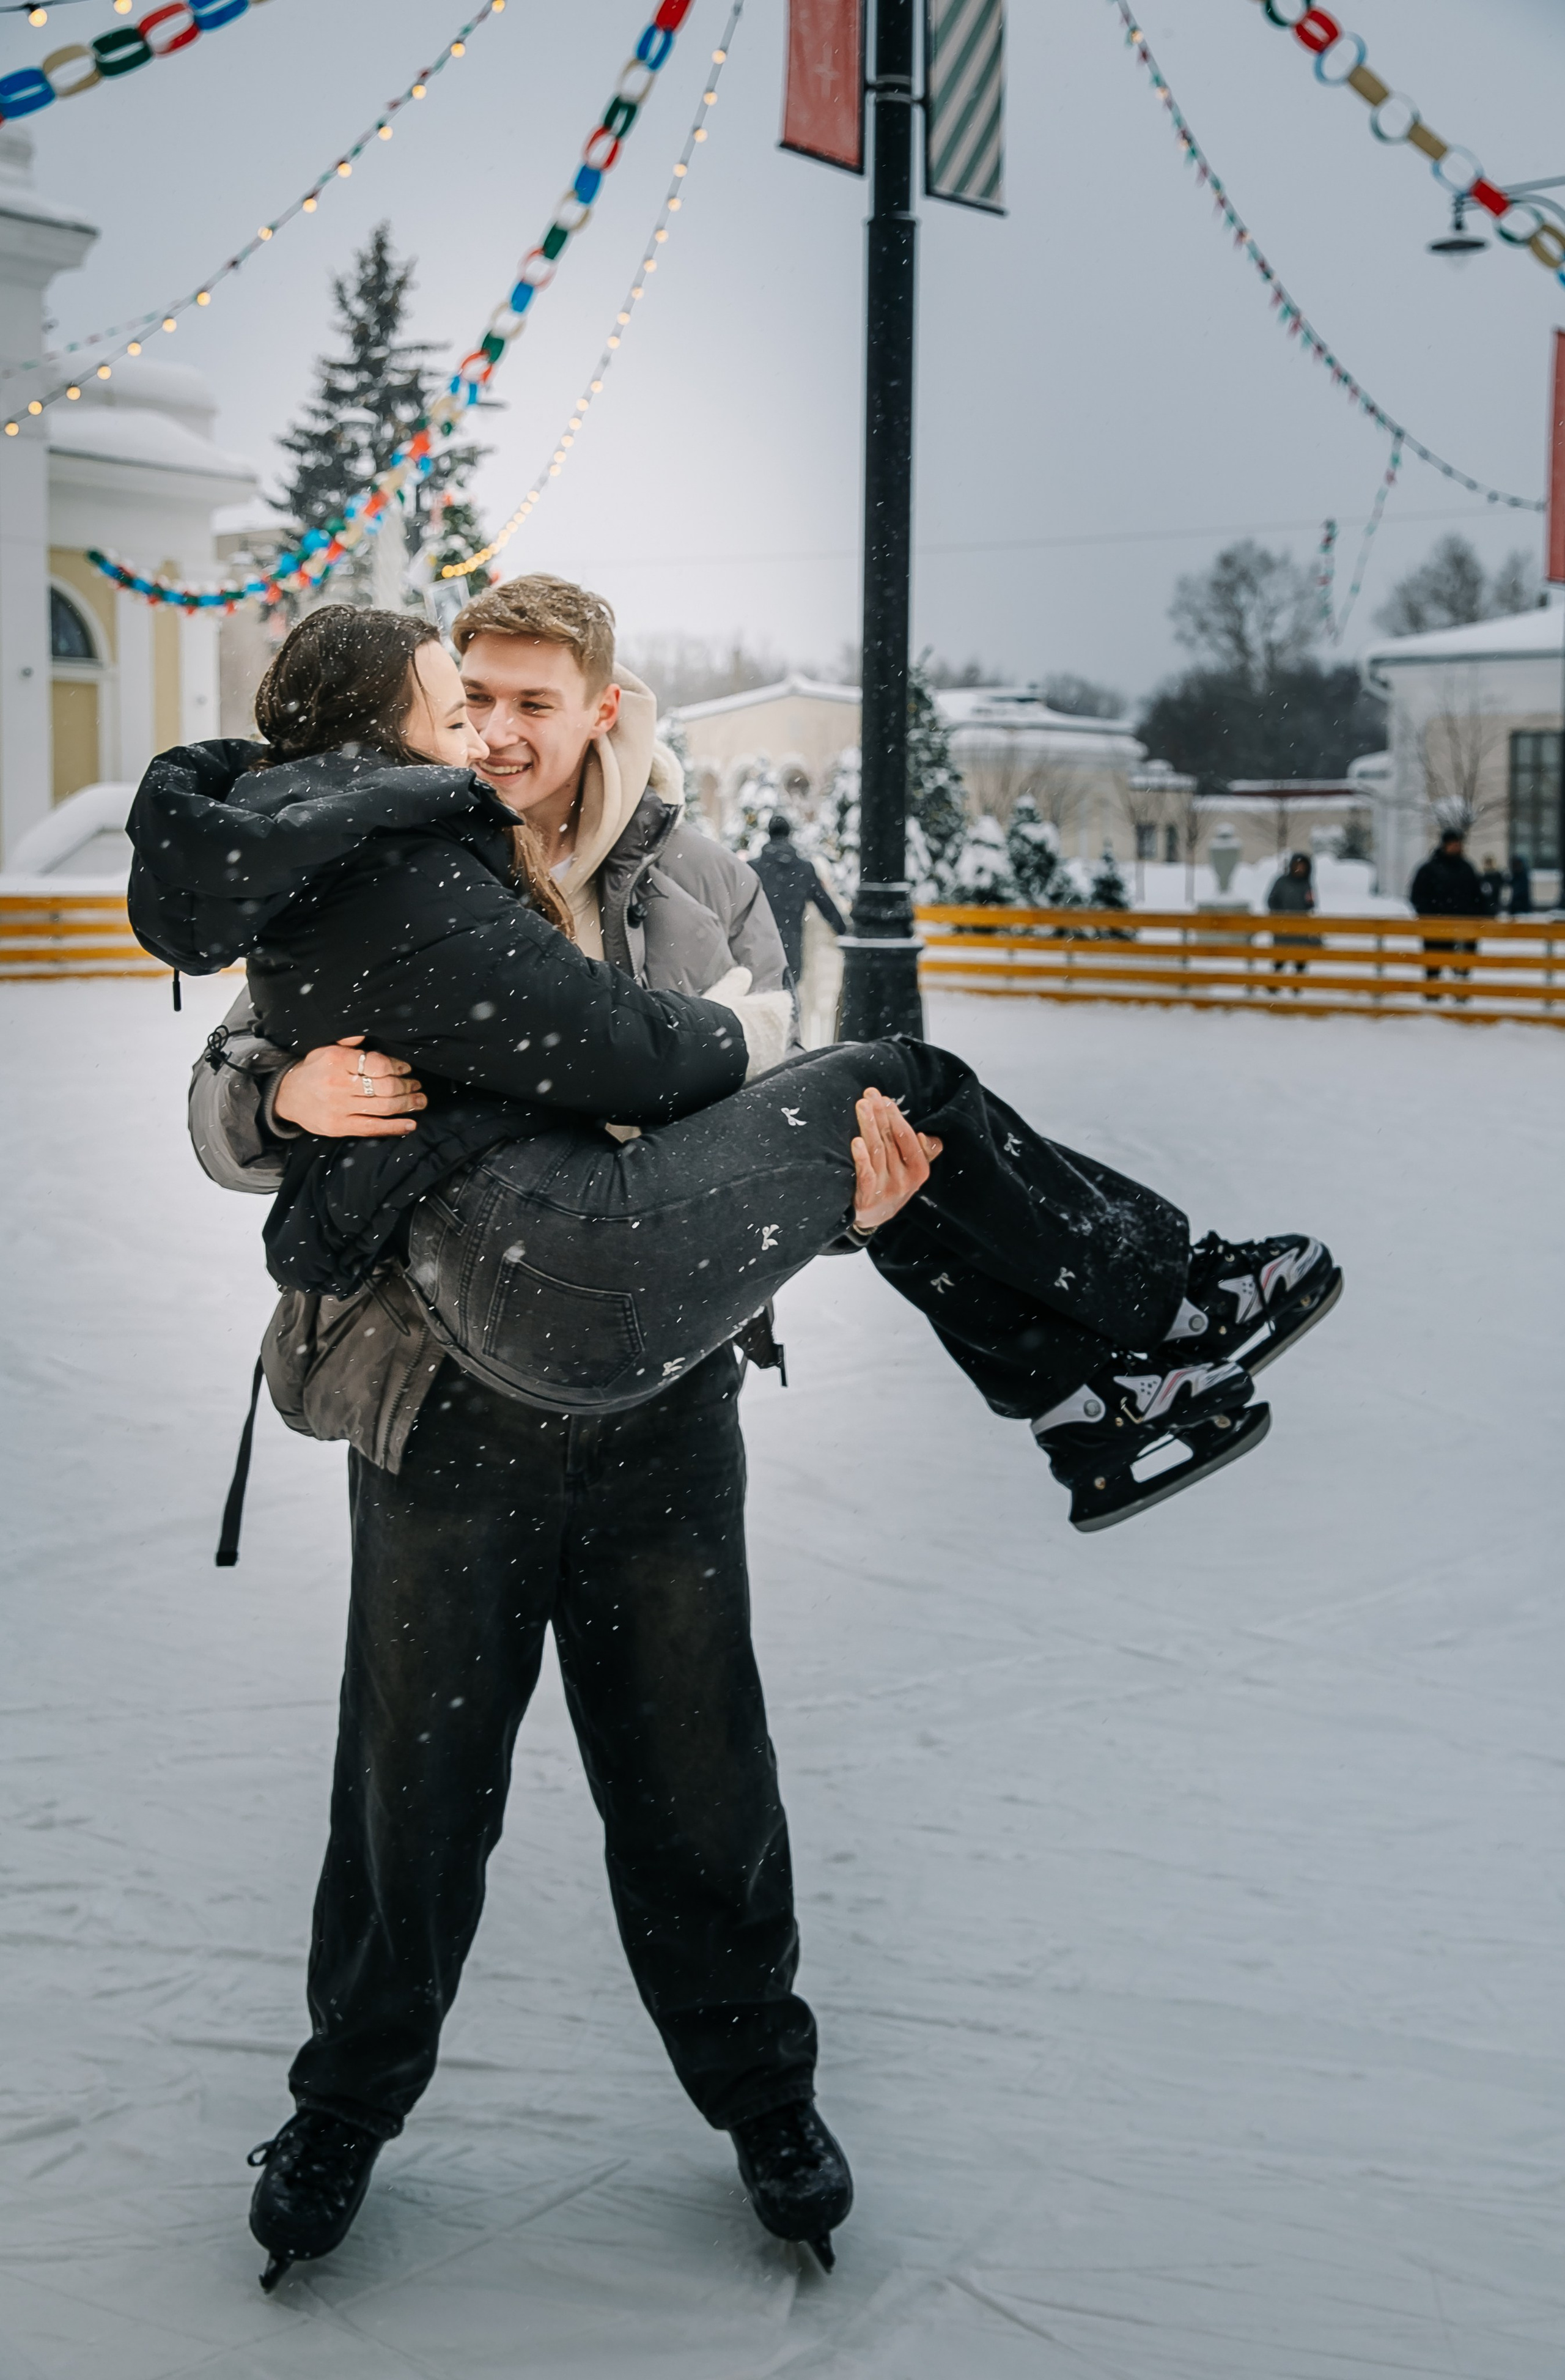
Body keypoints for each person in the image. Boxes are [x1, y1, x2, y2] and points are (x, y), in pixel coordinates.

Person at [133, 601, 1341, 2285]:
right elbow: (225, 1085)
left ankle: (765, 2094)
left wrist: (865, 1200)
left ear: (603, 710)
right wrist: (280, 1101)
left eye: (527, 701)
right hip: (436, 1415)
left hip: (661, 1415)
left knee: (699, 1781)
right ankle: (341, 2105)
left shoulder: (701, 887)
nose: (495, 729)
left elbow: (776, 1129)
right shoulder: (371, 846)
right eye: (470, 698)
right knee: (410, 1792)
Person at [750, 812, 849, 978]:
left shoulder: (754, 868)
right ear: (789, 834)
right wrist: (844, 931)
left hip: (761, 945)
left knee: (761, 989)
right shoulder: (804, 869)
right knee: (790, 988)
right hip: (792, 946)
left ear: (770, 833)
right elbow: (825, 904)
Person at [1410, 827, 1487, 1000]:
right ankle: (1432, 995)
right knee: (1434, 963)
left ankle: (1460, 995)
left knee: (1462, 964)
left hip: (1463, 928)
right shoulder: (1429, 869)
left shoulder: (1466, 868)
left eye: (1459, 844)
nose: (1457, 847)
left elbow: (1478, 896)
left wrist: (1478, 915)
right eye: (1453, 844)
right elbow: (1418, 897)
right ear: (1445, 845)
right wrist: (1432, 916)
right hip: (1436, 927)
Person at [1266, 852, 1321, 989]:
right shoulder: (1281, 882)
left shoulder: (1306, 884)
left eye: (1303, 866)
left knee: (1300, 959)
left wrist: (1309, 903)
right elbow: (1271, 901)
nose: (1300, 869)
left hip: (1301, 930)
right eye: (1298, 866)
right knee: (1280, 958)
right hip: (1283, 929)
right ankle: (1274, 985)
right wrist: (1282, 916)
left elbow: (1311, 905)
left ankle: (1298, 985)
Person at [1476, 853, 1508, 918]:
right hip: (1484, 907)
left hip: (1495, 906)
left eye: (1490, 862)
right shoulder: (1482, 877)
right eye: (1487, 863)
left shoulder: (1498, 876)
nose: (1489, 865)